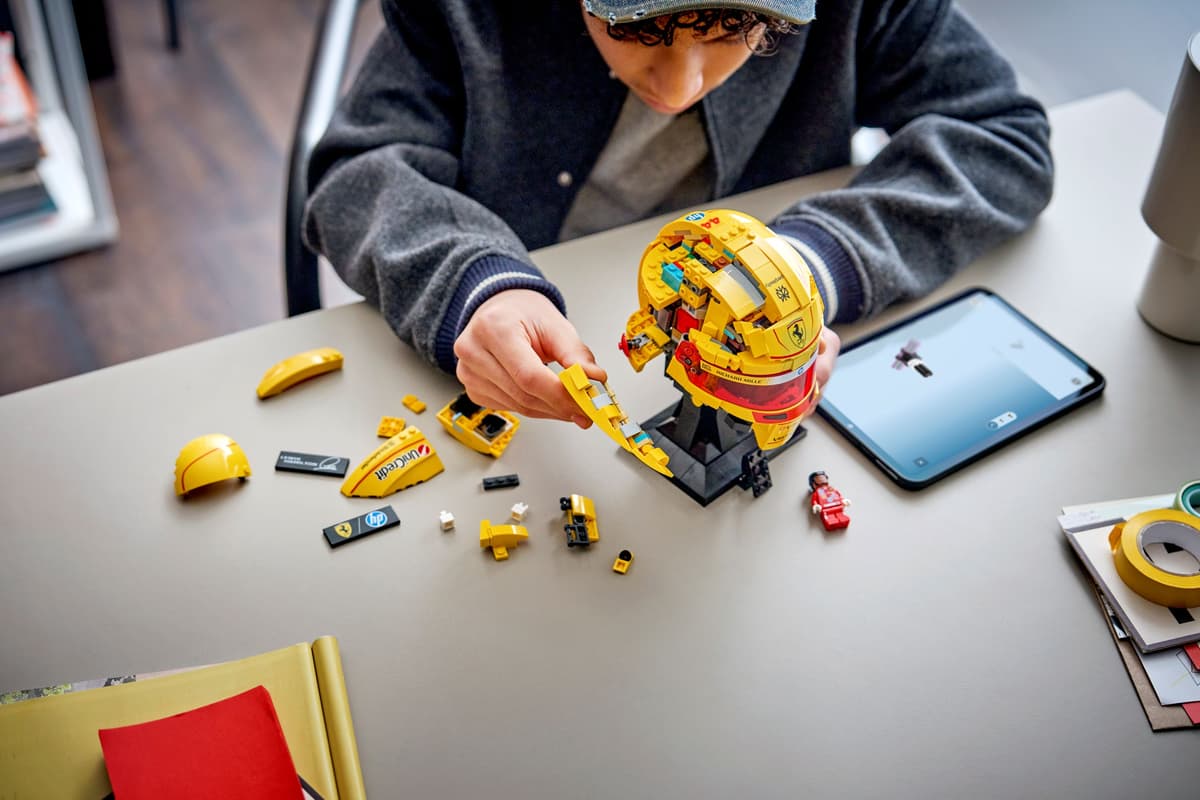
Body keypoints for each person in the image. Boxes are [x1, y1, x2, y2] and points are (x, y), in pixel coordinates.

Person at [303, 0, 1053, 429]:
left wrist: (810, 264)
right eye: (639, 30)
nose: (681, 84)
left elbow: (1002, 136)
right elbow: (360, 168)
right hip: (525, 316)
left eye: (730, 34)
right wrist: (471, 284)